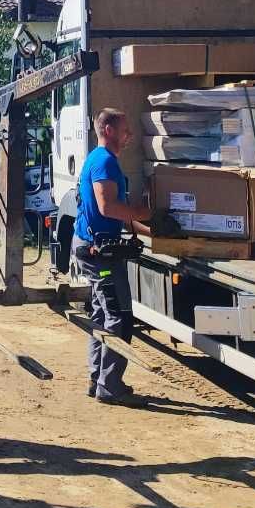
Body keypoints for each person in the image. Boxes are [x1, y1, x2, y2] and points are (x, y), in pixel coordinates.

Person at [72, 107, 152, 404]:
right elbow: (108, 207)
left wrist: (149, 230)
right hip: (98, 252)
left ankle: (98, 379)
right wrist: (143, 211)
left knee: (100, 314)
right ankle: (110, 385)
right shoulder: (104, 162)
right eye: (124, 129)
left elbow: (116, 214)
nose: (129, 134)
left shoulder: (102, 159)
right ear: (108, 130)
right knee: (118, 316)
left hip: (94, 245)